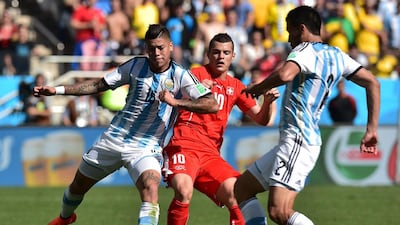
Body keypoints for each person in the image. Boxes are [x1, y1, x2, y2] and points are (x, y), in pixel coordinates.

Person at [33, 24, 219, 225]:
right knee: (77, 186)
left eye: (161, 47)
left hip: (146, 148)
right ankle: (65, 218)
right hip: (114, 139)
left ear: (171, 46)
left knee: (151, 188)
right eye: (151, 48)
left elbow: (211, 104)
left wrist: (176, 102)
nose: (156, 53)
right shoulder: (134, 66)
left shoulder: (181, 76)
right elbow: (98, 85)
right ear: (146, 48)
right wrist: (58, 90)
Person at [234, 6, 380, 225]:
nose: (289, 39)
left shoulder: (305, 50)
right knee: (242, 188)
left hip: (299, 139)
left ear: (301, 29)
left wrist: (258, 88)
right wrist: (371, 129)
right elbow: (373, 82)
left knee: (279, 211)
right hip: (300, 140)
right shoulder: (338, 55)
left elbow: (285, 74)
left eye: (290, 32)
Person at [162, 33, 279, 225]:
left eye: (226, 52)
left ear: (233, 56)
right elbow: (167, 94)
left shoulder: (236, 86)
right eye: (216, 52)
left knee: (238, 194)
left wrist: (267, 102)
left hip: (210, 155)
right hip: (184, 146)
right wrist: (194, 90)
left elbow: (261, 119)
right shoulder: (194, 74)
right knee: (183, 191)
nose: (221, 56)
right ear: (208, 54)